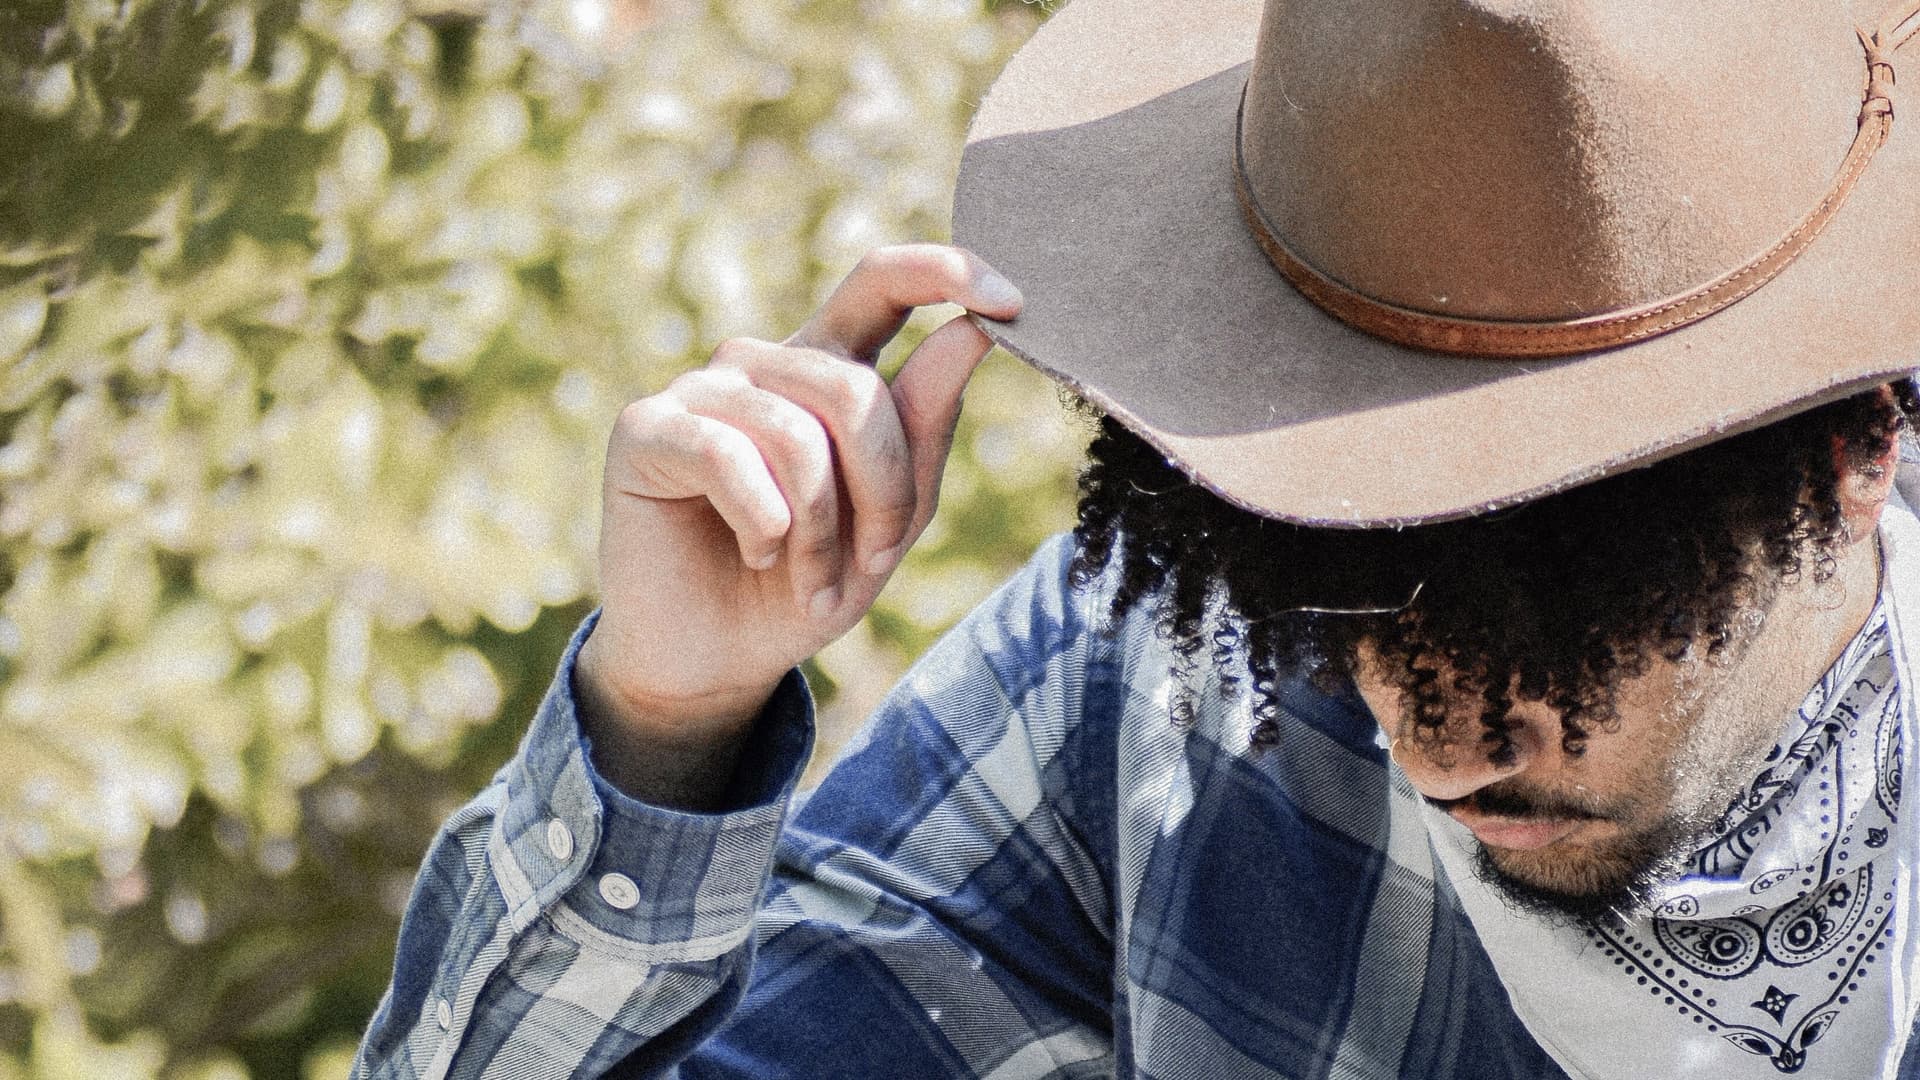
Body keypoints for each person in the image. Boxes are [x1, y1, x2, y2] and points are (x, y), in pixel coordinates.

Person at [353, 0, 1920, 1076]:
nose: (1436, 746)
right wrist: (666, 726)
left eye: (1567, 605)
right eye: (1345, 578)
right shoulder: (1152, 704)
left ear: (1852, 449)